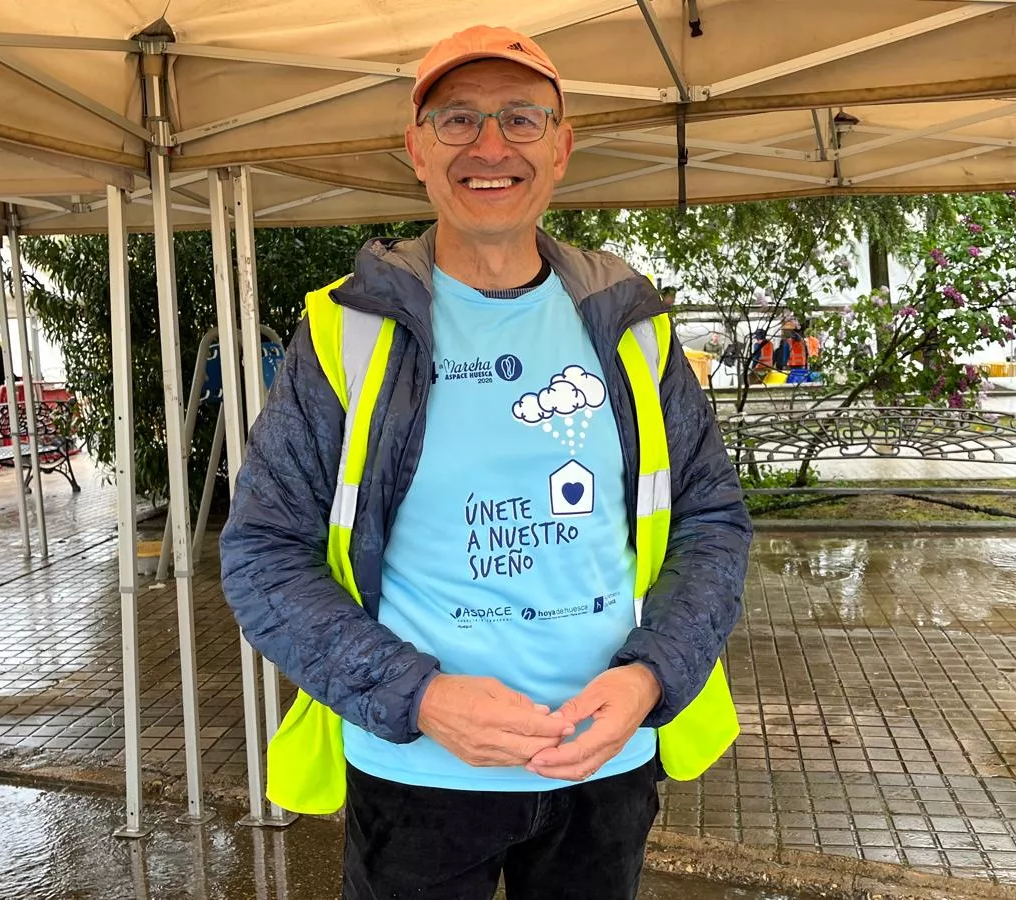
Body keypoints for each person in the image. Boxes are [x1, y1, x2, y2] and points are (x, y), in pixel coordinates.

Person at [219, 25, 751, 900]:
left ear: (564, 145)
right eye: (458, 119)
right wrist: (416, 696)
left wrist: (652, 675)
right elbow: (263, 553)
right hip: (418, 776)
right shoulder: (349, 332)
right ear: (417, 149)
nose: (491, 146)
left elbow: (710, 522)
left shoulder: (630, 324)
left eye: (521, 119)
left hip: (605, 763)